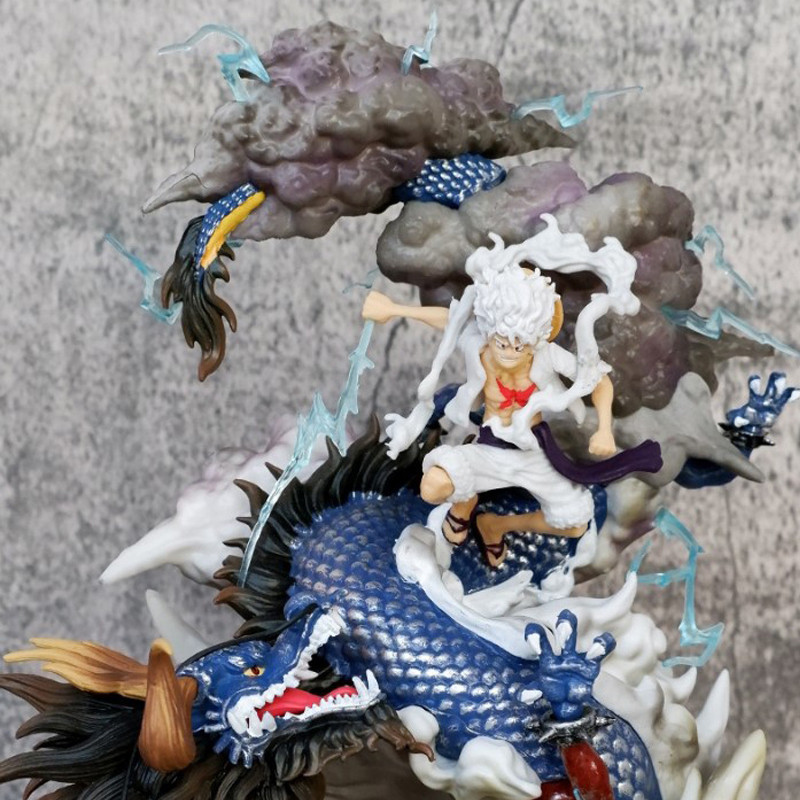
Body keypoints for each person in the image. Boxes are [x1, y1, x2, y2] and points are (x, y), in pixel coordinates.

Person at [363, 218, 662, 566]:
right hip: (489, 447)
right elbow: (450, 318)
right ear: (491, 328)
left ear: (535, 337)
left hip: (534, 454)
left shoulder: (547, 355)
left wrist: (605, 429)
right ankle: (463, 504)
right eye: (502, 342)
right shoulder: (479, 345)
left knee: (575, 523)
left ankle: (496, 526)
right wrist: (394, 310)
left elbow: (599, 380)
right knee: (432, 487)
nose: (508, 351)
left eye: (519, 345)